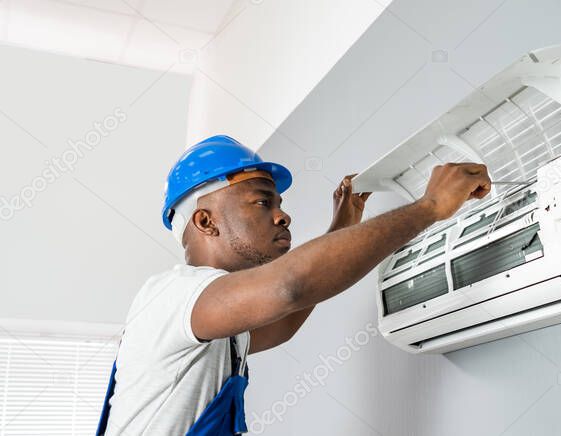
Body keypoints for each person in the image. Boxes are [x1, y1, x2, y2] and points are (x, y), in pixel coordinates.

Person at [95, 135, 490, 435]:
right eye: (263, 202)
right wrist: (430, 208)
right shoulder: (174, 294)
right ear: (205, 222)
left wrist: (343, 226)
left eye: (280, 203)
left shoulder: (217, 322)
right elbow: (290, 287)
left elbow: (281, 320)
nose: (283, 215)